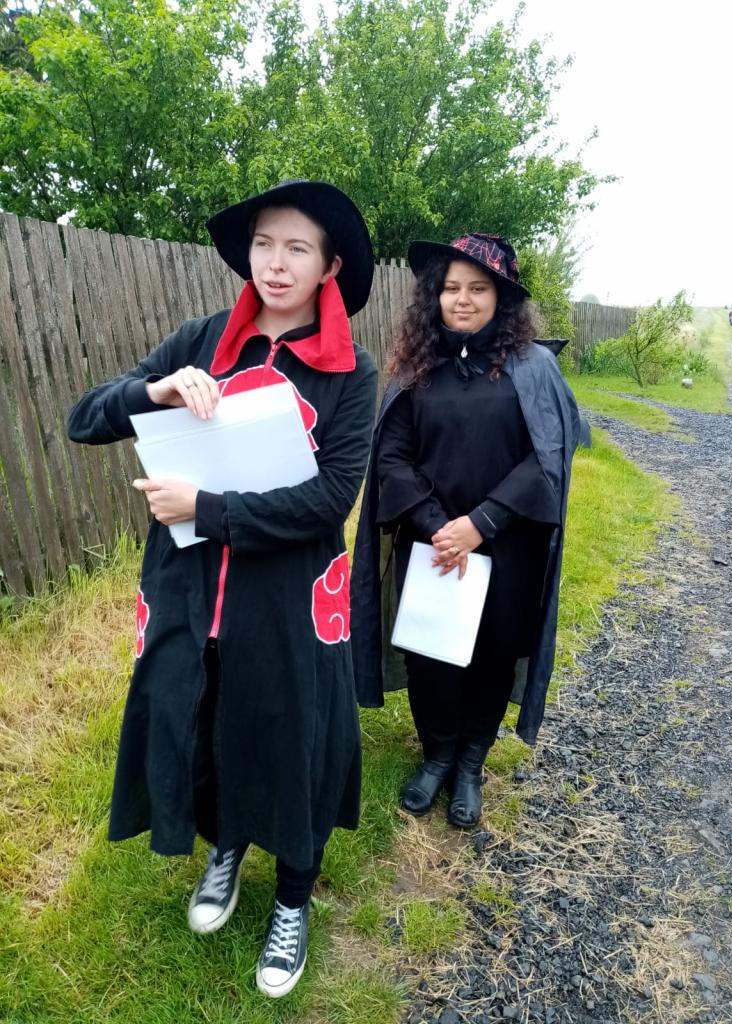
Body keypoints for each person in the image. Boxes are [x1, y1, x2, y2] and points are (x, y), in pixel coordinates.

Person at [67, 180, 378, 998]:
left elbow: (331, 498)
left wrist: (207, 509)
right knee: (210, 725)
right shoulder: (202, 340)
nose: (275, 263)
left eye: (297, 248)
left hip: (288, 601)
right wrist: (154, 391)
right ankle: (228, 846)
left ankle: (294, 899)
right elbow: (83, 419)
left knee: (291, 735)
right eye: (264, 244)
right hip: (193, 593)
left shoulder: (352, 370)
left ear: (329, 266)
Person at [351, 233, 580, 829]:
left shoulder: (535, 368)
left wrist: (481, 523)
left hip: (507, 544)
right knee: (430, 654)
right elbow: (392, 458)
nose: (462, 299)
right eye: (451, 288)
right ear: (435, 296)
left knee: (492, 653)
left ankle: (472, 762)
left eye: (478, 289)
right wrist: (438, 528)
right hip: (431, 545)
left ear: (501, 298)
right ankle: (437, 756)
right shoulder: (415, 368)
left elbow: (546, 457)